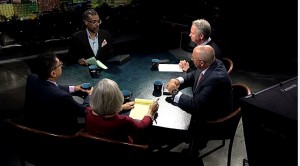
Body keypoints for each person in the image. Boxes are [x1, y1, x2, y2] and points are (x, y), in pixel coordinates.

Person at [166, 45, 232, 155]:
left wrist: (174, 92)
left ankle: (191, 146)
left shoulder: (215, 78)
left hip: (213, 120)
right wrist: (178, 80)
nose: (191, 59)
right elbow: (194, 74)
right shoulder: (212, 63)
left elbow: (196, 106)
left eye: (193, 59)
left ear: (201, 62)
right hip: (209, 105)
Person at [23, 51, 93, 135]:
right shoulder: (63, 97)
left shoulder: (32, 78)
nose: (61, 66)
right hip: (57, 131)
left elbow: (52, 87)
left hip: (31, 122)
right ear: (53, 73)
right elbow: (83, 111)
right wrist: (90, 95)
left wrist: (75, 88)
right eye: (60, 64)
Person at [85, 78, 159, 144]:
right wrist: (150, 112)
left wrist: (122, 107)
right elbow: (142, 127)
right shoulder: (123, 120)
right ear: (118, 98)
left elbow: (104, 111)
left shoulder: (88, 112)